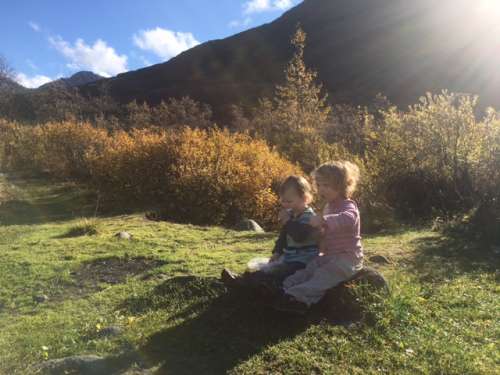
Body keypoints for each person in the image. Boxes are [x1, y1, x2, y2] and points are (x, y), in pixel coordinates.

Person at [274, 161, 364, 314]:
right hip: (328, 255)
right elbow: (326, 233)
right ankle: (284, 288)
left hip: (347, 258)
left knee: (323, 276)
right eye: (320, 185)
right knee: (309, 270)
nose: (322, 189)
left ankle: (298, 299)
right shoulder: (328, 207)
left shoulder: (348, 205)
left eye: (326, 185)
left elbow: (348, 219)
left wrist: (324, 220)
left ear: (341, 185)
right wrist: (318, 234)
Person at [221, 175, 320, 295]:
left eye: (289, 201)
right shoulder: (291, 214)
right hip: (289, 257)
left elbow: (299, 236)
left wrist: (288, 221)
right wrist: (277, 252)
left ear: (305, 199)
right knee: (268, 269)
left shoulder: (309, 217)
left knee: (283, 273)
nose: (286, 205)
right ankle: (242, 280)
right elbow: (283, 236)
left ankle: (264, 287)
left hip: (303, 260)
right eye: (283, 201)